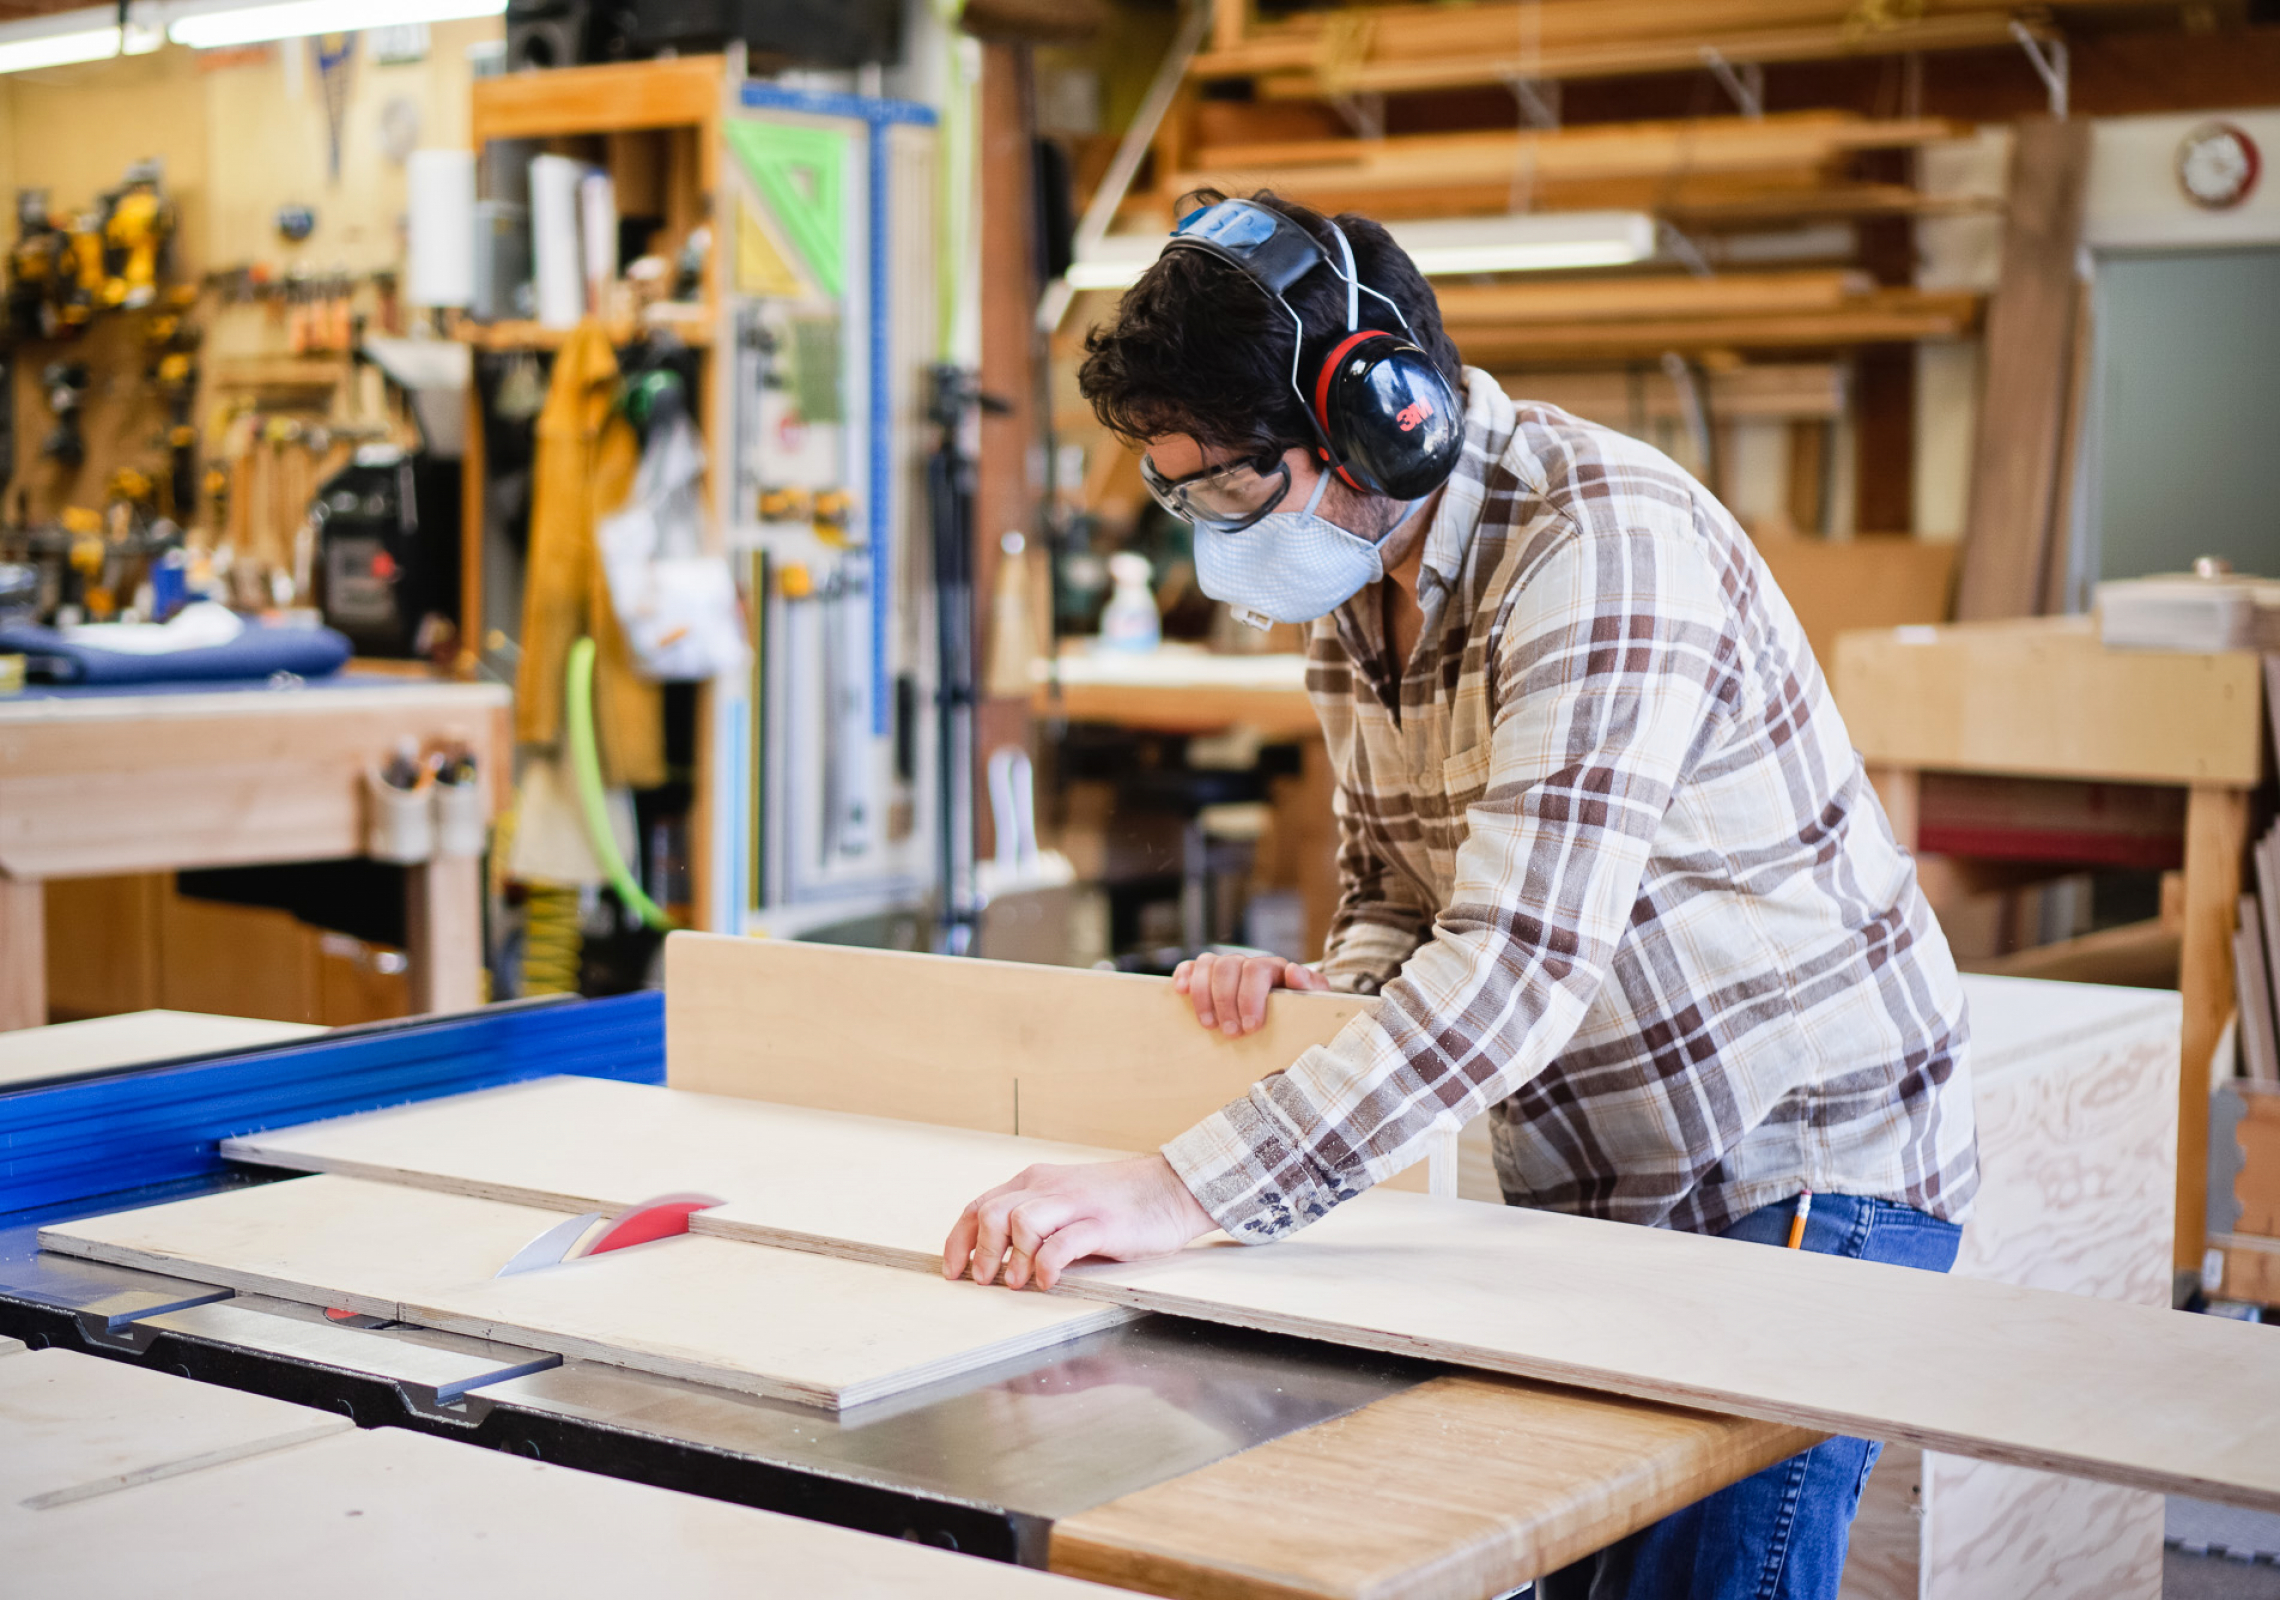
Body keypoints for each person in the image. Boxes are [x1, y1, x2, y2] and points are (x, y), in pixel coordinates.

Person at [940, 191, 1977, 1599]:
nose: (1213, 533)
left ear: (1384, 419)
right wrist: (1336, 994)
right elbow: (1394, 889)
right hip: (1597, 1176)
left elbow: (1517, 968)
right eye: (1181, 495)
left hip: (1794, 1167)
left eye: (1234, 486)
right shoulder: (1360, 583)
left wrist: (1183, 1187)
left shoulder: (1601, 549)